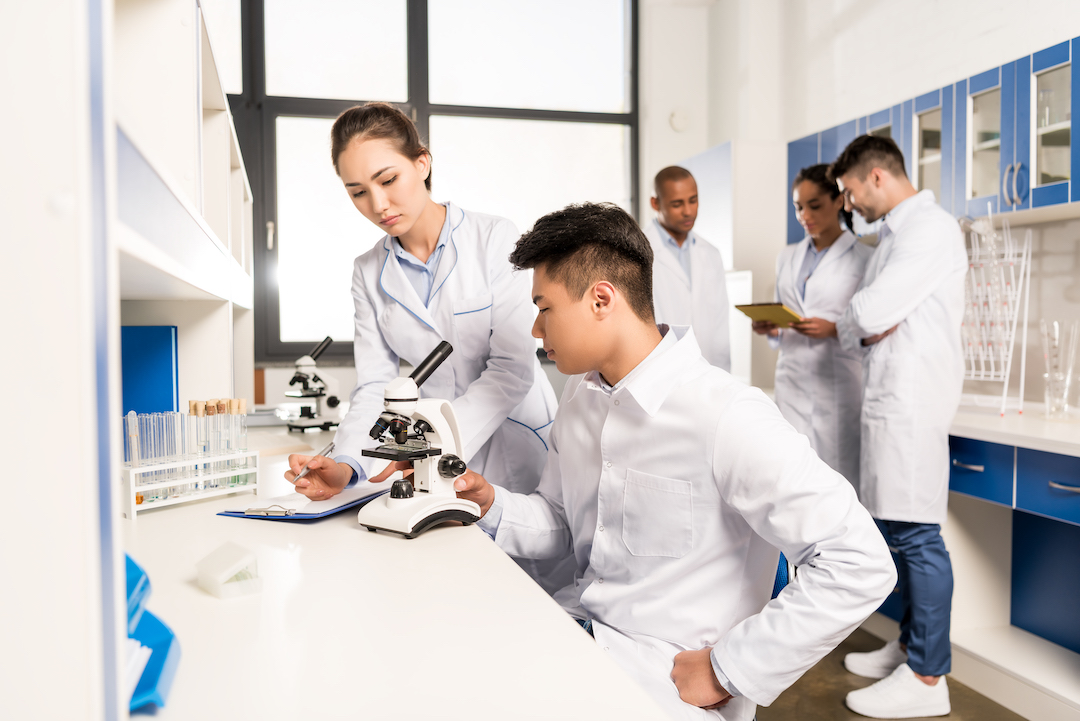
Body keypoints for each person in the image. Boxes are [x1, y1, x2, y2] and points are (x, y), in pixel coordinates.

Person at [433, 202, 894, 720]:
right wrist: (490, 503)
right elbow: (562, 523)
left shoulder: (725, 415)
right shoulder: (580, 399)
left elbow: (859, 562)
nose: (537, 331)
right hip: (578, 630)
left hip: (661, 680)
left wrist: (727, 668)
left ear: (601, 299)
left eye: (544, 308)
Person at [283, 102, 569, 594]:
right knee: (454, 585)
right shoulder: (367, 271)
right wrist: (351, 465)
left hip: (516, 438)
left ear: (422, 163)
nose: (377, 204)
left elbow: (510, 370)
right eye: (358, 192)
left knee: (531, 587)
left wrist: (431, 446)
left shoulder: (494, 238)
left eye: (387, 179)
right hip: (431, 449)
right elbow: (377, 384)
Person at [829, 135, 966, 719]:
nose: (850, 203)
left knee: (917, 538)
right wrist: (860, 319)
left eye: (852, 190)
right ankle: (912, 648)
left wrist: (861, 317)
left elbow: (869, 312)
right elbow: (862, 317)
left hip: (911, 406)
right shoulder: (897, 235)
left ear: (878, 177)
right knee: (901, 532)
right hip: (892, 403)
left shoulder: (930, 230)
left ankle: (930, 680)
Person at [752, 164, 871, 486]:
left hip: (839, 384)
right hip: (791, 382)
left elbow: (872, 324)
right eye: (798, 207)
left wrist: (833, 328)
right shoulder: (787, 256)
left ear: (838, 201)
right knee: (792, 481)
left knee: (838, 483)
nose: (805, 215)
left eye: (814, 205)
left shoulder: (864, 256)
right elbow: (784, 309)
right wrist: (772, 327)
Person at [643, 166, 731, 370]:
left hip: (707, 370)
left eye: (693, 200)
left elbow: (720, 326)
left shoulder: (711, 253)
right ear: (655, 203)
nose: (688, 211)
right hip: (659, 370)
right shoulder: (638, 253)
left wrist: (723, 376)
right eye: (677, 204)